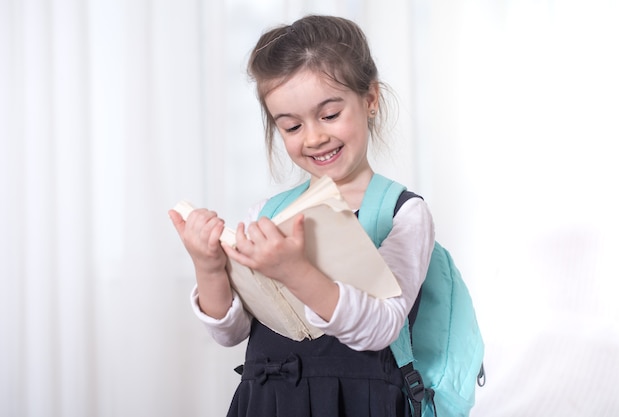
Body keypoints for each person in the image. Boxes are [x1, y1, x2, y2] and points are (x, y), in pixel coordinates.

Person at [169, 15, 435, 417]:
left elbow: (383, 328)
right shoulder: (268, 215)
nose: (313, 137)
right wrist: (208, 266)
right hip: (267, 403)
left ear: (370, 99)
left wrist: (295, 271)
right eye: (292, 126)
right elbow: (232, 332)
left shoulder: (403, 212)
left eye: (329, 115)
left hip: (359, 404)